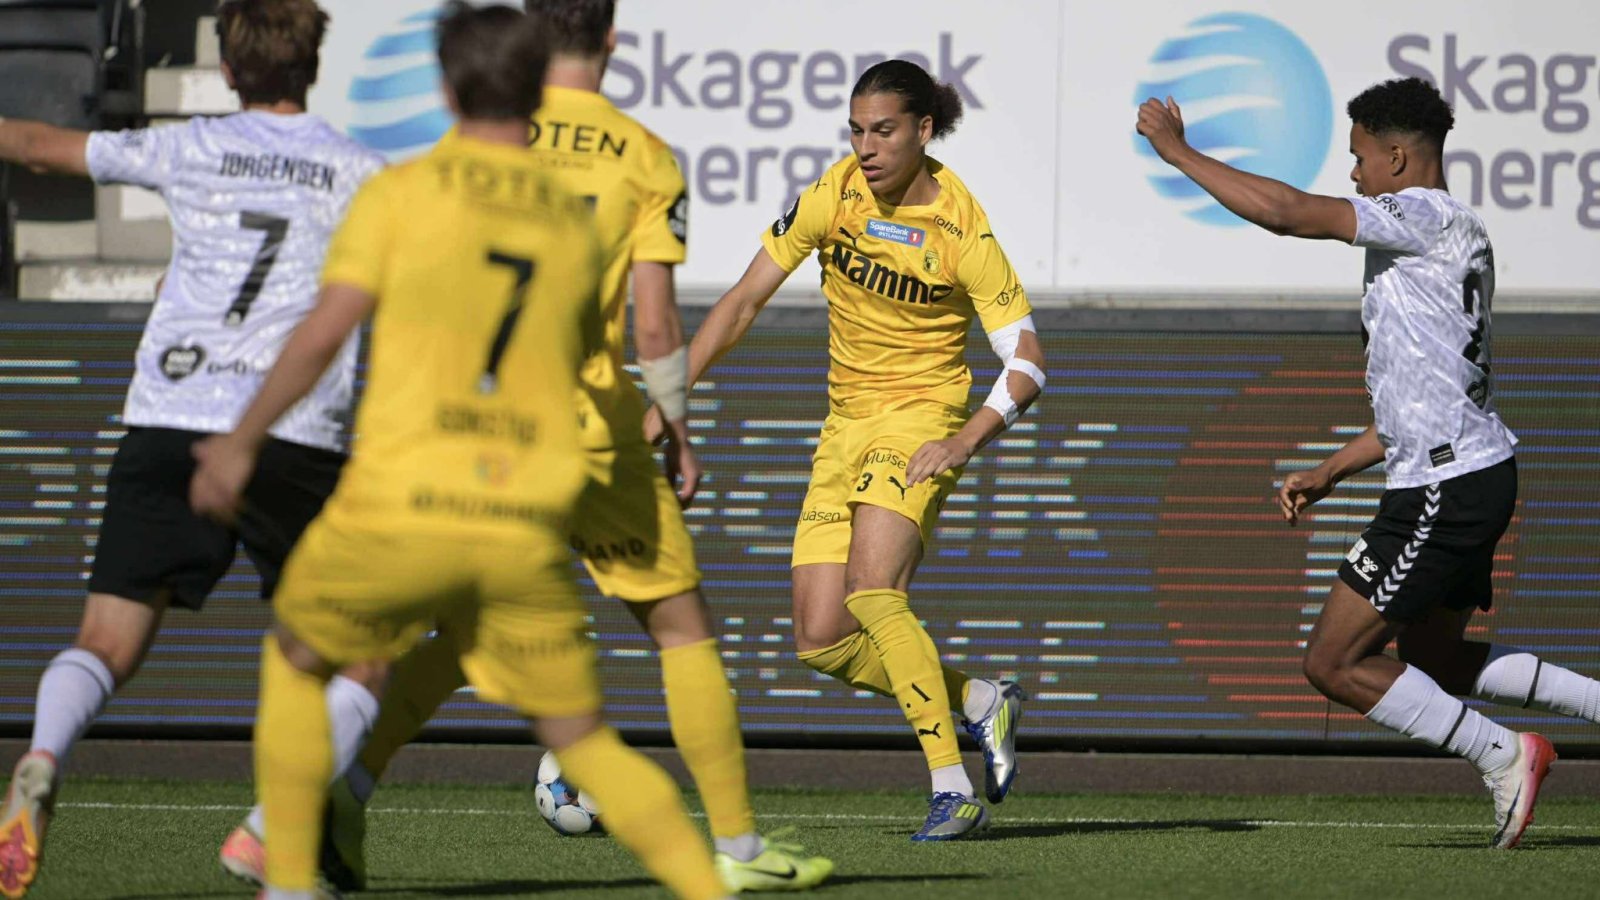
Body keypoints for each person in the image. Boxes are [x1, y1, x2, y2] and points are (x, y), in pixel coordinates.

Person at [236, 0, 832, 891]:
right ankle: (738, 853)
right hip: (585, 433)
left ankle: (326, 804)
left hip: (461, 451)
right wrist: (674, 424)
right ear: (613, 39)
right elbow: (654, 324)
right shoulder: (641, 156)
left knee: (446, 630)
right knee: (678, 626)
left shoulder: (439, 168)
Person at [1133, 75, 1600, 849]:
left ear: (1396, 159)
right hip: (1471, 471)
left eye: (1357, 158)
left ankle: (1504, 754)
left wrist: (1177, 151)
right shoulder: (1456, 233)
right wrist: (1333, 469)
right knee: (1434, 656)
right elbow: (1426, 394)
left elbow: (1286, 212)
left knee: (1334, 662)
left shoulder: (1418, 217)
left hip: (1445, 485)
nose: (1352, 176)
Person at [0, 2, 385, 896]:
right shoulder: (361, 172)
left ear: (229, 65)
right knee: (367, 656)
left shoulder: (190, 146)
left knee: (105, 640)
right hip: (292, 435)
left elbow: (36, 146)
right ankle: (275, 828)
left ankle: (44, 755)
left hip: (170, 416)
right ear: (313, 64)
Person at [672, 59, 1046, 841]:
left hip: (920, 420)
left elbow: (1028, 364)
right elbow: (741, 303)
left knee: (874, 591)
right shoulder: (834, 194)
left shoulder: (961, 228)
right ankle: (981, 701)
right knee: (819, 639)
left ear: (923, 130)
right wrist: (668, 397)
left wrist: (964, 439)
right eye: (856, 130)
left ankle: (952, 789)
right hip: (844, 427)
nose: (866, 148)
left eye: (883, 131)